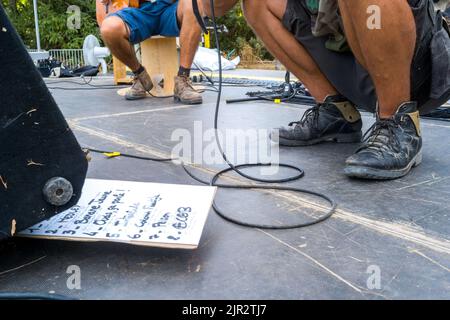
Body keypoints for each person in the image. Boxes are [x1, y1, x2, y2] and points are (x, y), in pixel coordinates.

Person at [200, 0, 450, 180]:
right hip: (353, 66)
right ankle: (335, 111)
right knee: (257, 3)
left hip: (416, 71)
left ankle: (399, 121)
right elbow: (211, 7)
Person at [100, 0, 203, 104]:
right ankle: (140, 76)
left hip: (171, 8)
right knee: (109, 28)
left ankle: (182, 79)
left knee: (195, 3)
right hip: (139, 11)